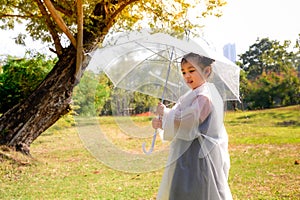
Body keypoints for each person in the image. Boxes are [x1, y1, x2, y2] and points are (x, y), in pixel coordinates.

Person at [152, 52, 233, 200]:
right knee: (180, 188)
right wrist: (162, 121)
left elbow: (191, 120)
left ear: (206, 71)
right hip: (184, 153)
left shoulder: (205, 96)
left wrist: (166, 113)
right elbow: (178, 120)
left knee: (197, 190)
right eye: (183, 72)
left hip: (198, 155)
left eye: (191, 70)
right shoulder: (190, 95)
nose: (187, 76)